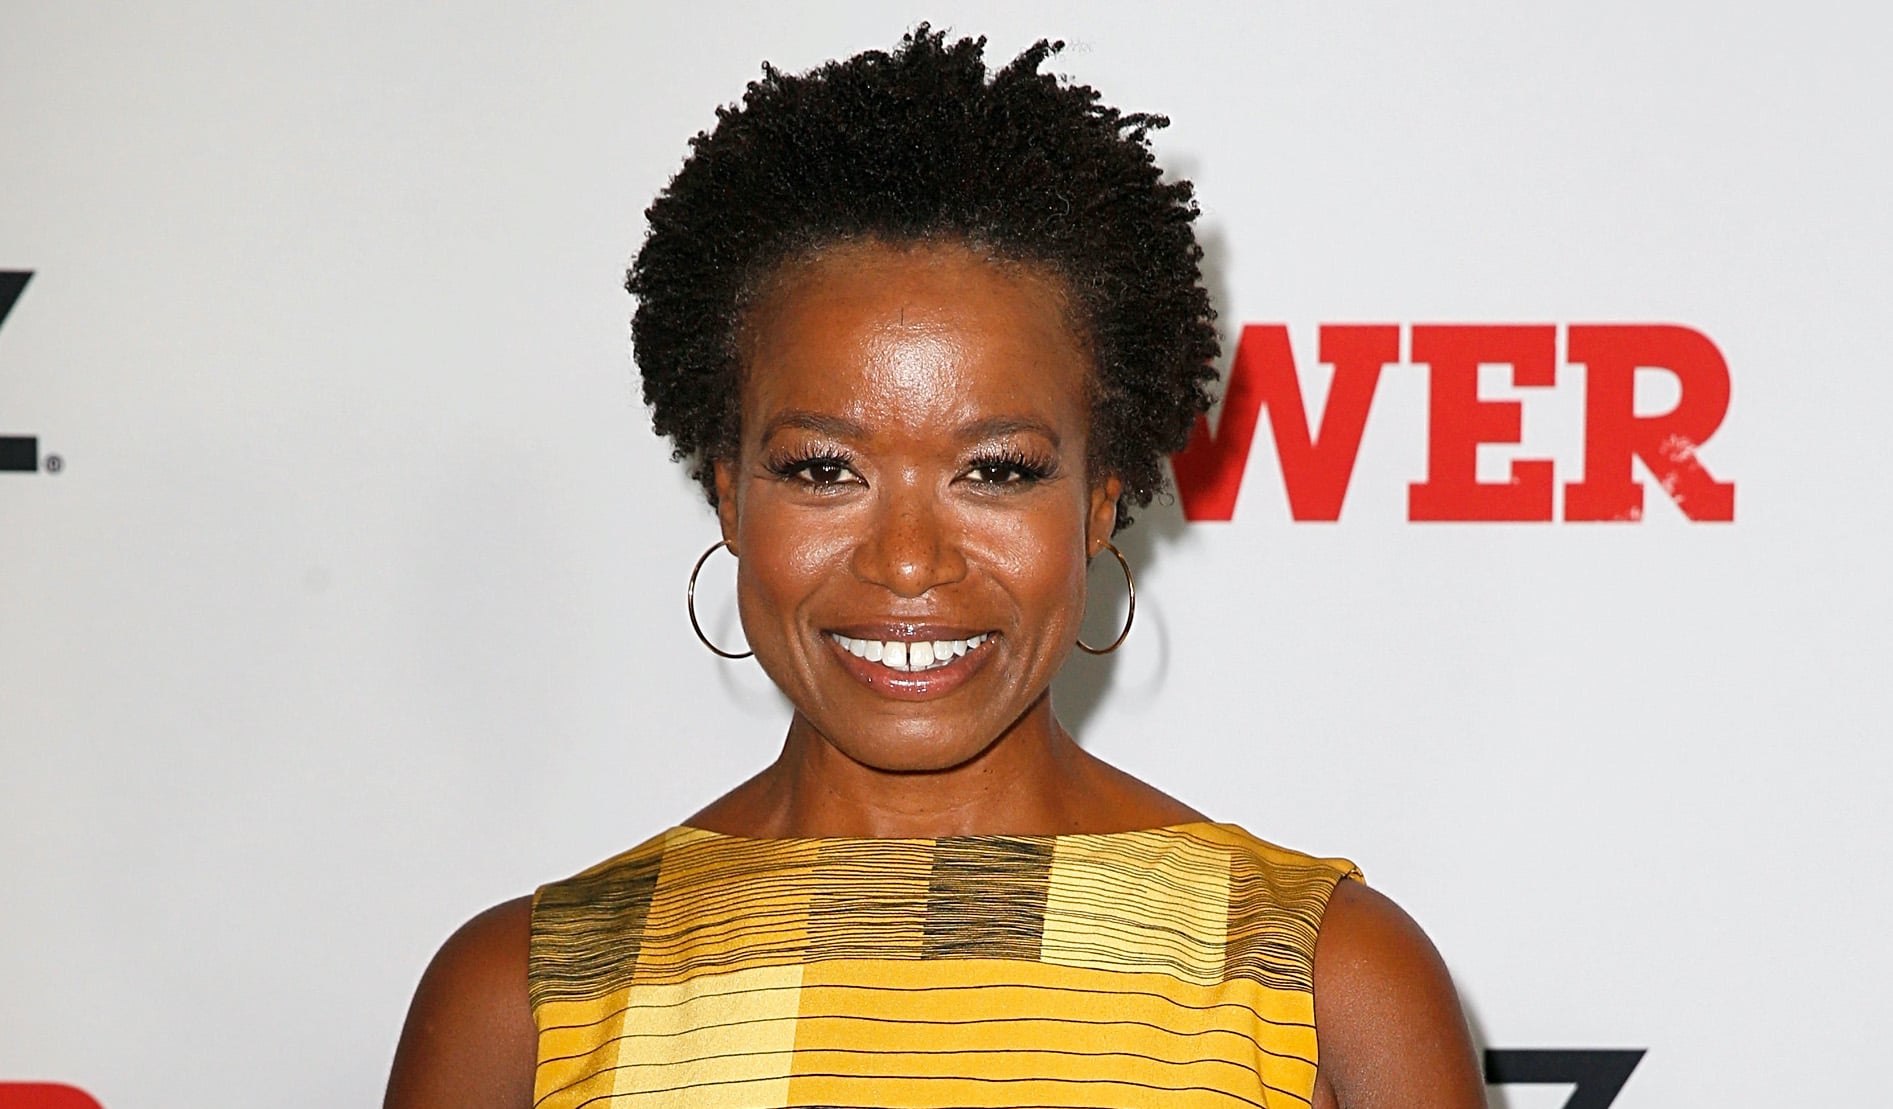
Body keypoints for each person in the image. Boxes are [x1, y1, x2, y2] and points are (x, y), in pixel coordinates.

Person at [385, 27, 1483, 1109]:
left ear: (1100, 502)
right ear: (728, 494)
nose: (908, 561)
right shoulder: (523, 1004)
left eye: (996, 471)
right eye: (824, 469)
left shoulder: (1322, 986)